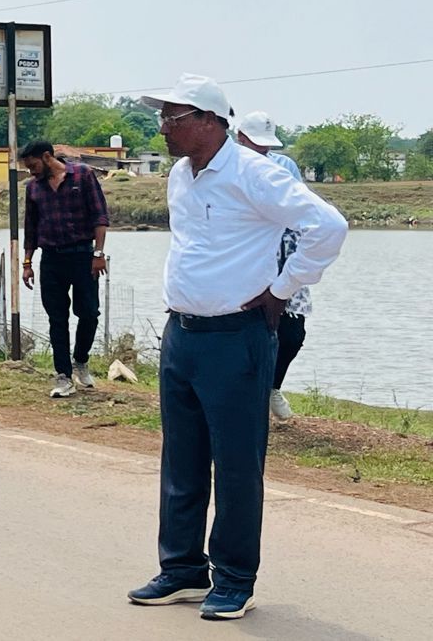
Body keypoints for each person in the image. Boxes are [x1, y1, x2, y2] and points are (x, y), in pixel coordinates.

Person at [125, 74, 346, 620]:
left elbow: (328, 226)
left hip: (236, 339)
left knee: (238, 464)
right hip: (183, 334)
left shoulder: (254, 173)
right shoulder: (181, 175)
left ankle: (234, 580)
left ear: (209, 121)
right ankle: (181, 569)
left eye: (172, 118)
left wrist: (282, 288)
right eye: (163, 118)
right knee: (182, 459)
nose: (163, 128)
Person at [19, 140, 111, 399]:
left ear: (47, 157)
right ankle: (63, 376)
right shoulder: (33, 189)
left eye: (34, 166)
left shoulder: (82, 175)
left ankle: (80, 360)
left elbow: (100, 216)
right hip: (51, 259)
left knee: (89, 313)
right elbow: (31, 229)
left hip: (83, 255)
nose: (31, 172)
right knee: (57, 319)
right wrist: (27, 264)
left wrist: (98, 254)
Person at [235, 111, 311, 421]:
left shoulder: (285, 166)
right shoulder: (231, 167)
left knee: (293, 330)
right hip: (249, 254)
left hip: (286, 251)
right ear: (240, 138)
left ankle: (271, 387)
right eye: (257, 144)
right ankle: (245, 392)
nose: (263, 150)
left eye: (267, 145)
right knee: (248, 323)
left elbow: (301, 207)